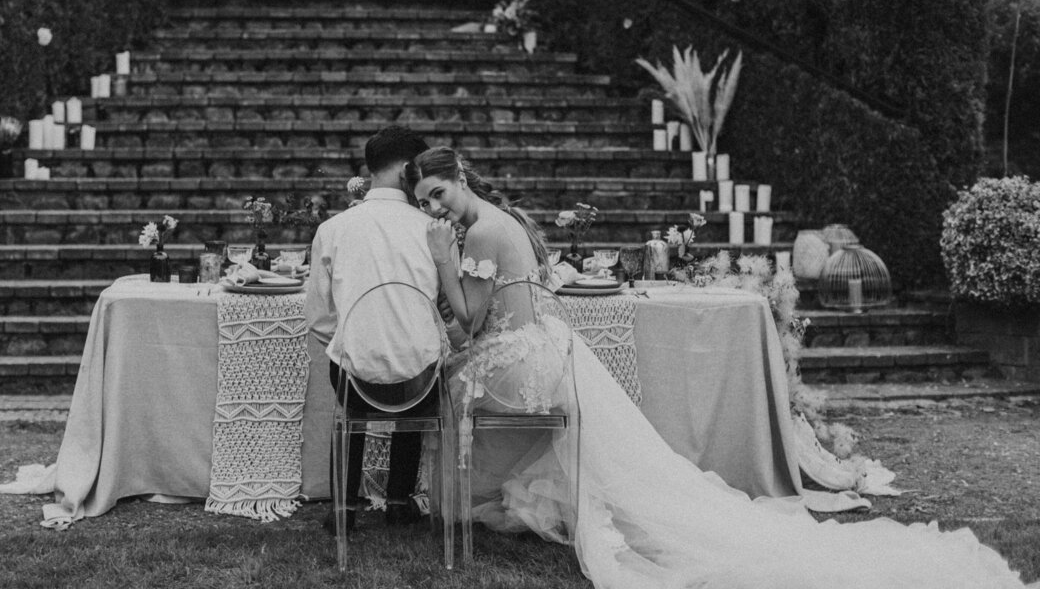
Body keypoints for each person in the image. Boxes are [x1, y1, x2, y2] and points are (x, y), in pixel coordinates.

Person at [409, 145, 1038, 589]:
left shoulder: (480, 232)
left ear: (460, 177)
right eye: (425, 203)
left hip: (524, 358)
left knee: (445, 381)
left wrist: (440, 260)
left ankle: (429, 503)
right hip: (543, 345)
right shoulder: (499, 219)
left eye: (438, 194)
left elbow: (468, 319)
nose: (435, 208)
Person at [304, 125, 441, 535]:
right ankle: (398, 503)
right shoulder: (431, 228)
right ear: (406, 169)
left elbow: (318, 318)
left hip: (353, 378)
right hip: (420, 380)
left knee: (351, 378)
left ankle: (343, 509)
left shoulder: (333, 229)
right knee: (418, 354)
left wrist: (357, 340)